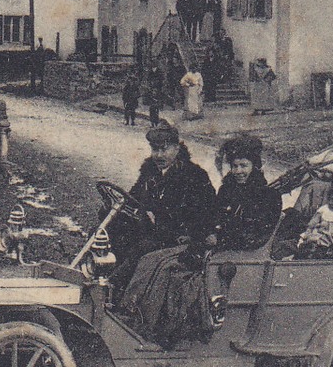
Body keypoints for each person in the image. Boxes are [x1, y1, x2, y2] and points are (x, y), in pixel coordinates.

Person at [108, 123, 216, 288]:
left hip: (180, 239)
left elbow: (206, 214)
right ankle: (98, 273)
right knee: (110, 231)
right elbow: (133, 197)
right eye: (154, 150)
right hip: (153, 231)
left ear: (177, 148)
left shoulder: (195, 176)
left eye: (164, 150)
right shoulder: (149, 172)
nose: (158, 155)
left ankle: (114, 287)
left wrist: (187, 233)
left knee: (142, 249)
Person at [213, 135, 283, 251]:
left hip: (246, 255)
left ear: (254, 166)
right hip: (223, 249)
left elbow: (258, 236)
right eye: (234, 166)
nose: (238, 171)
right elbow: (215, 218)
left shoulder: (269, 195)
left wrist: (220, 237)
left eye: (243, 166)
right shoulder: (225, 191)